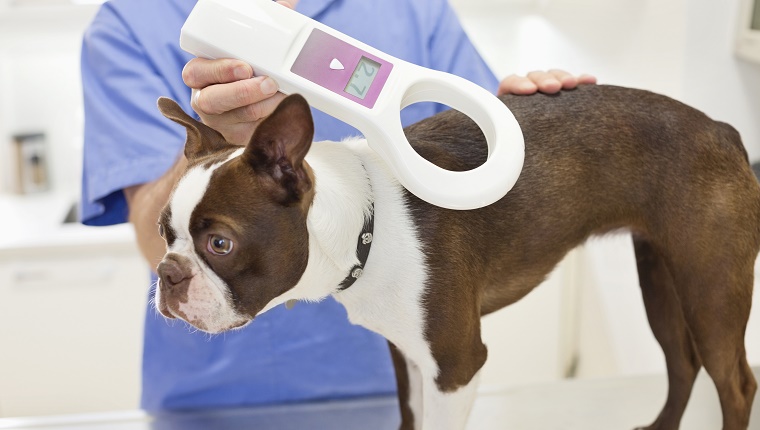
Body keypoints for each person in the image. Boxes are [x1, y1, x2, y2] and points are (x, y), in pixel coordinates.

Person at [80, 0, 595, 412]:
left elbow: (475, 168)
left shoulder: (412, 9)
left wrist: (522, 122)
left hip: (398, 376)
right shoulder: (132, 20)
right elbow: (158, 242)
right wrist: (220, 160)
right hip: (217, 400)